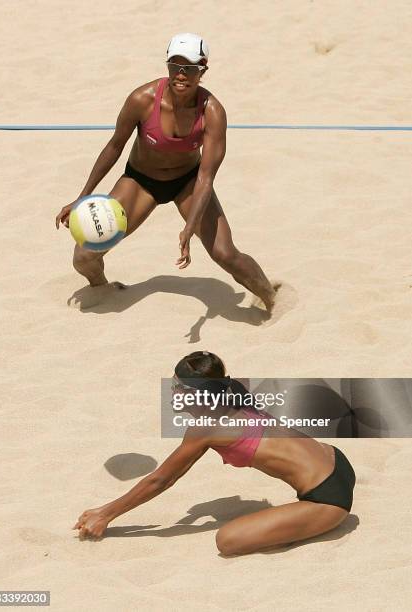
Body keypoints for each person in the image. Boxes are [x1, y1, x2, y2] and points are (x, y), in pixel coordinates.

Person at [55, 33, 275, 314]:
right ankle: (103, 288)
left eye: (190, 68)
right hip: (140, 180)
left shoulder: (213, 112)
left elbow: (206, 178)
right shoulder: (142, 99)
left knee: (225, 254)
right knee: (84, 256)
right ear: (168, 65)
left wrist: (189, 228)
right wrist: (81, 197)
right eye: (175, 65)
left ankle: (271, 298)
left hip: (188, 182)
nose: (181, 74)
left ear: (203, 69)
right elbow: (114, 147)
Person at [73, 351, 356, 555]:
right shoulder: (234, 394)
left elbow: (160, 480)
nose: (171, 393)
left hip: (328, 500)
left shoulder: (206, 426)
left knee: (228, 540)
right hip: (336, 460)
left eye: (176, 387)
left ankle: (302, 528)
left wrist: (105, 514)